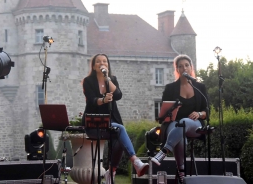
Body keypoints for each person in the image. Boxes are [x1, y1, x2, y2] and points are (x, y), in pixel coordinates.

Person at [82, 54, 149, 184]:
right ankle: (135, 161)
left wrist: (107, 79)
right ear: (94, 66)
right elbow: (91, 100)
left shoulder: (112, 79)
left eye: (104, 61)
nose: (102, 64)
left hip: (111, 122)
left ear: (108, 65)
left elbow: (118, 95)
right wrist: (103, 100)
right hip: (93, 123)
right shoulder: (88, 81)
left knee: (118, 136)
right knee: (120, 130)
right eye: (98, 62)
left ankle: (111, 171)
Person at [151, 54, 208, 184]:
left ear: (191, 67)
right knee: (180, 130)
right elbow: (164, 113)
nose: (184, 68)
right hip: (174, 124)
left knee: (183, 124)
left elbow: (207, 111)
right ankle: (181, 173)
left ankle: (163, 152)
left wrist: (199, 113)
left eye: (187, 65)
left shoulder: (200, 87)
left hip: (195, 124)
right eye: (180, 66)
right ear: (177, 69)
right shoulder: (170, 88)